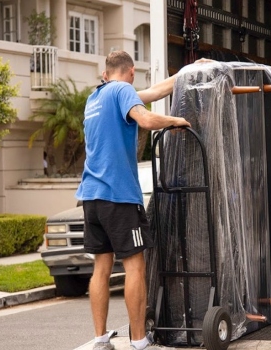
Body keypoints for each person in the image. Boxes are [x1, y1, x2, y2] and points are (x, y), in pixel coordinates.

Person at [76, 50, 191, 350]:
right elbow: (145, 118)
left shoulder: (95, 98)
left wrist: (189, 72)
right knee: (135, 268)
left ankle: (101, 339)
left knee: (101, 268)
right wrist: (176, 120)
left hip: (91, 197)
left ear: (106, 73)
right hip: (119, 197)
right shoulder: (124, 90)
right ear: (130, 72)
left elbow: (153, 92)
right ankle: (139, 340)